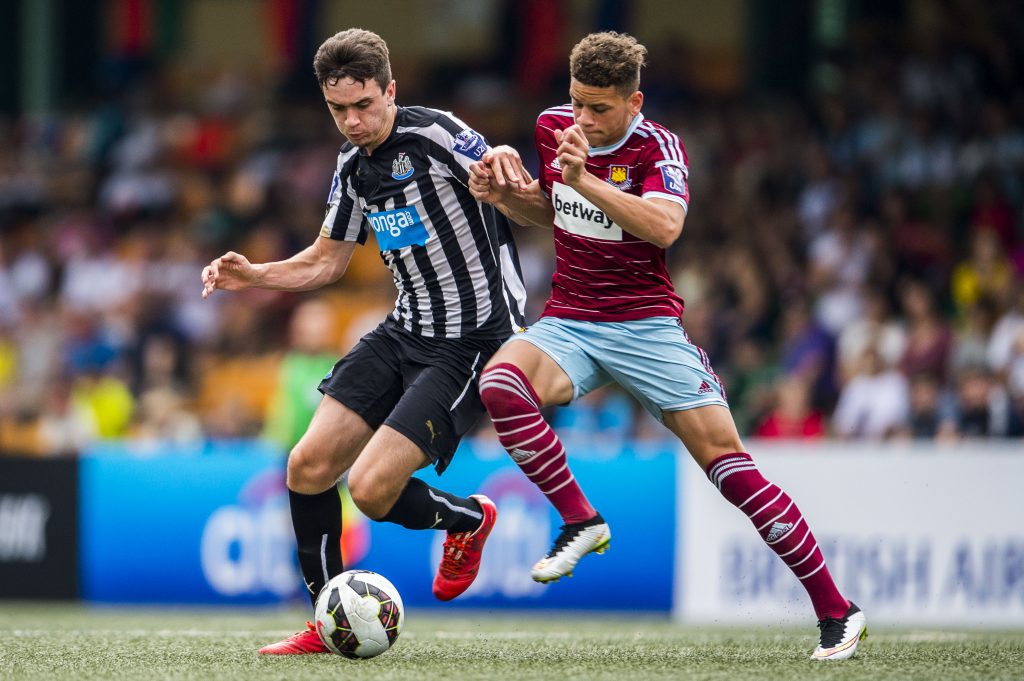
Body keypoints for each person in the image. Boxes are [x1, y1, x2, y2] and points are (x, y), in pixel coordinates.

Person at [469, 31, 866, 661]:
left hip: (646, 325)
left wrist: (585, 179)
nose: (583, 119)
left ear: (634, 102)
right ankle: (581, 520)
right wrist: (509, 200)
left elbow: (665, 226)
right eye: (577, 103)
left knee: (729, 468)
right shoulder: (552, 127)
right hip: (570, 317)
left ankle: (836, 611)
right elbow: (554, 210)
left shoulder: (660, 148)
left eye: (599, 109)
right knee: (499, 384)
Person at [201, 28, 527, 655]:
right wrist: (255, 275)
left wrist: (506, 156)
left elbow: (496, 168)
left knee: (372, 491)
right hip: (405, 329)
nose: (351, 121)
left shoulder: (435, 136)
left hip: (472, 337)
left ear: (390, 92)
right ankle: (325, 621)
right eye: (337, 109)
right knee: (307, 466)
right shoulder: (352, 169)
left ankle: (470, 519)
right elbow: (328, 262)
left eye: (363, 105)